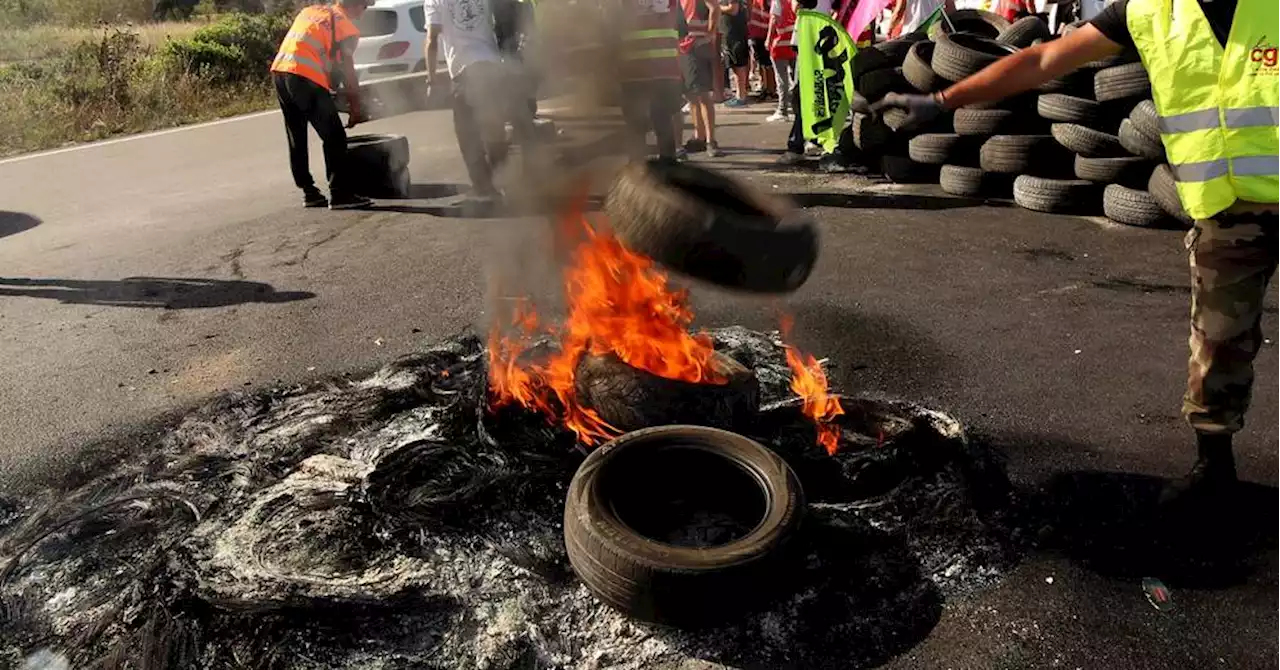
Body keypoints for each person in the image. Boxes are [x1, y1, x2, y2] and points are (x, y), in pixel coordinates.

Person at [874, 0, 1280, 508]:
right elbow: (1044, 61)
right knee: (1218, 343)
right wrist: (942, 100)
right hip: (1226, 210)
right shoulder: (1148, 12)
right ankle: (1214, 468)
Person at [425, 0, 542, 208]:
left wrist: (432, 80)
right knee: (493, 128)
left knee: (468, 135)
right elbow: (509, 14)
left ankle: (484, 189)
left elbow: (432, 39)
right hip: (492, 65)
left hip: (464, 71)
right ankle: (503, 182)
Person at [269, 0, 374, 210]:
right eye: (364, 7)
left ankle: (309, 192)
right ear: (355, 5)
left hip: (281, 72)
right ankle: (340, 194)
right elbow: (349, 71)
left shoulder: (312, 12)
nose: (363, 14)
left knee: (296, 136)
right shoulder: (346, 27)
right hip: (305, 77)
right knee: (335, 137)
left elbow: (318, 53)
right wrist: (355, 108)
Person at [619, 0, 686, 163]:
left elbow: (610, 33)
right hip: (665, 69)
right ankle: (668, 163)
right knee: (663, 118)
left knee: (635, 121)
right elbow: (682, 31)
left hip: (634, 70)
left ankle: (637, 167)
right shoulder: (672, 3)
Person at [679, 0, 725, 157]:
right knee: (691, 95)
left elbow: (715, 8)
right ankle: (700, 136)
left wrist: (710, 33)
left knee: (702, 94)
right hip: (685, 46)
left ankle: (710, 141)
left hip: (697, 45)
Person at [765, 0, 797, 122]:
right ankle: (797, 109)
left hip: (780, 44)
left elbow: (774, 18)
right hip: (795, 43)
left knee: (781, 80)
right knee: (796, 79)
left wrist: (768, 39)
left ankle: (782, 110)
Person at [719, 0, 752, 106]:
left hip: (734, 32)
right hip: (732, 31)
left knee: (738, 63)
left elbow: (733, 9)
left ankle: (741, 96)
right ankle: (740, 94)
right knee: (735, 63)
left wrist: (717, 8)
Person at [748, 0, 776, 99]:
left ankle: (770, 90)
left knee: (766, 64)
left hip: (762, 33)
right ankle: (767, 88)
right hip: (758, 32)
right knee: (763, 63)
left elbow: (769, 13)